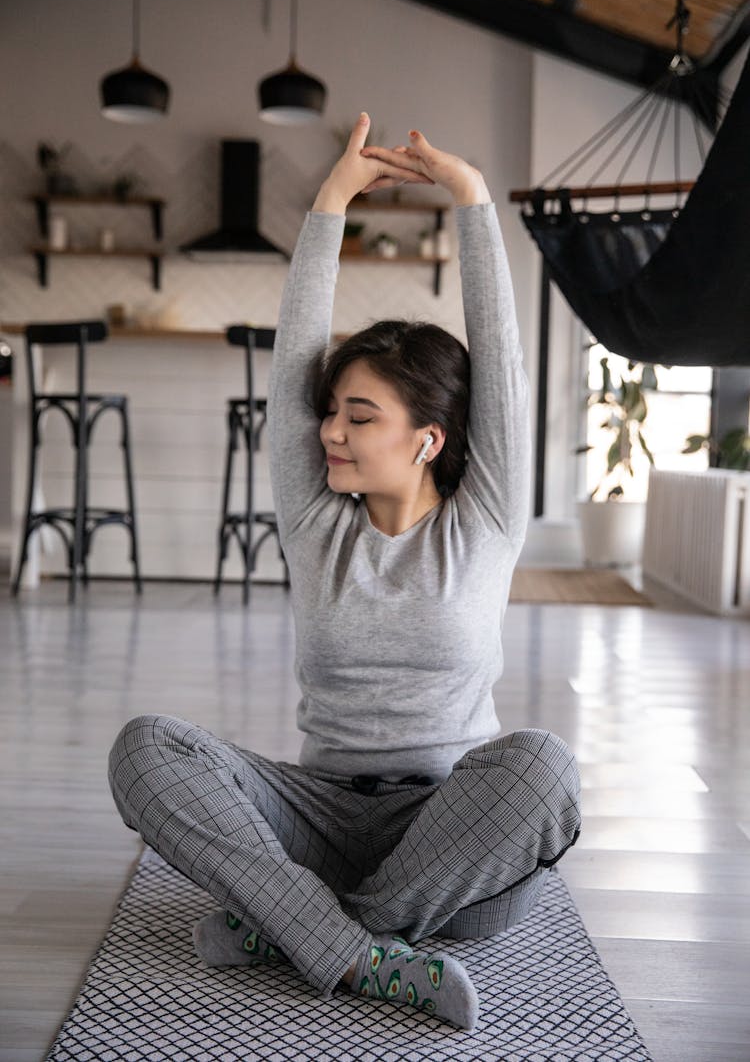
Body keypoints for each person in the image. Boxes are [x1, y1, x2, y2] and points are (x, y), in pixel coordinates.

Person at [108, 114, 581, 1032]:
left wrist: (472, 197)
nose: (330, 429)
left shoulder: (483, 519)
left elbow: (506, 372)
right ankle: (364, 953)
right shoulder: (317, 520)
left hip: (449, 830)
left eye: (359, 416)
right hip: (316, 816)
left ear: (429, 438)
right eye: (331, 411)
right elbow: (293, 359)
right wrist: (329, 199)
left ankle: (295, 931)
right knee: (144, 749)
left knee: (543, 769)